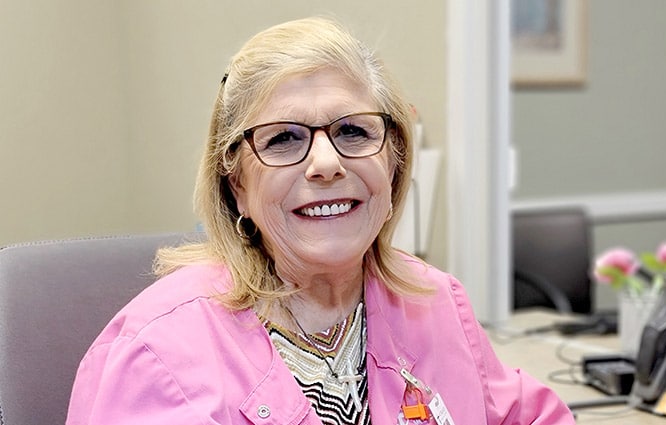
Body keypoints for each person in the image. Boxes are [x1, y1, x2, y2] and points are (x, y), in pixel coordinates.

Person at [66, 17, 574, 425]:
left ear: (393, 161)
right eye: (283, 139)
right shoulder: (155, 355)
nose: (327, 163)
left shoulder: (435, 301)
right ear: (236, 184)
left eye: (353, 130)